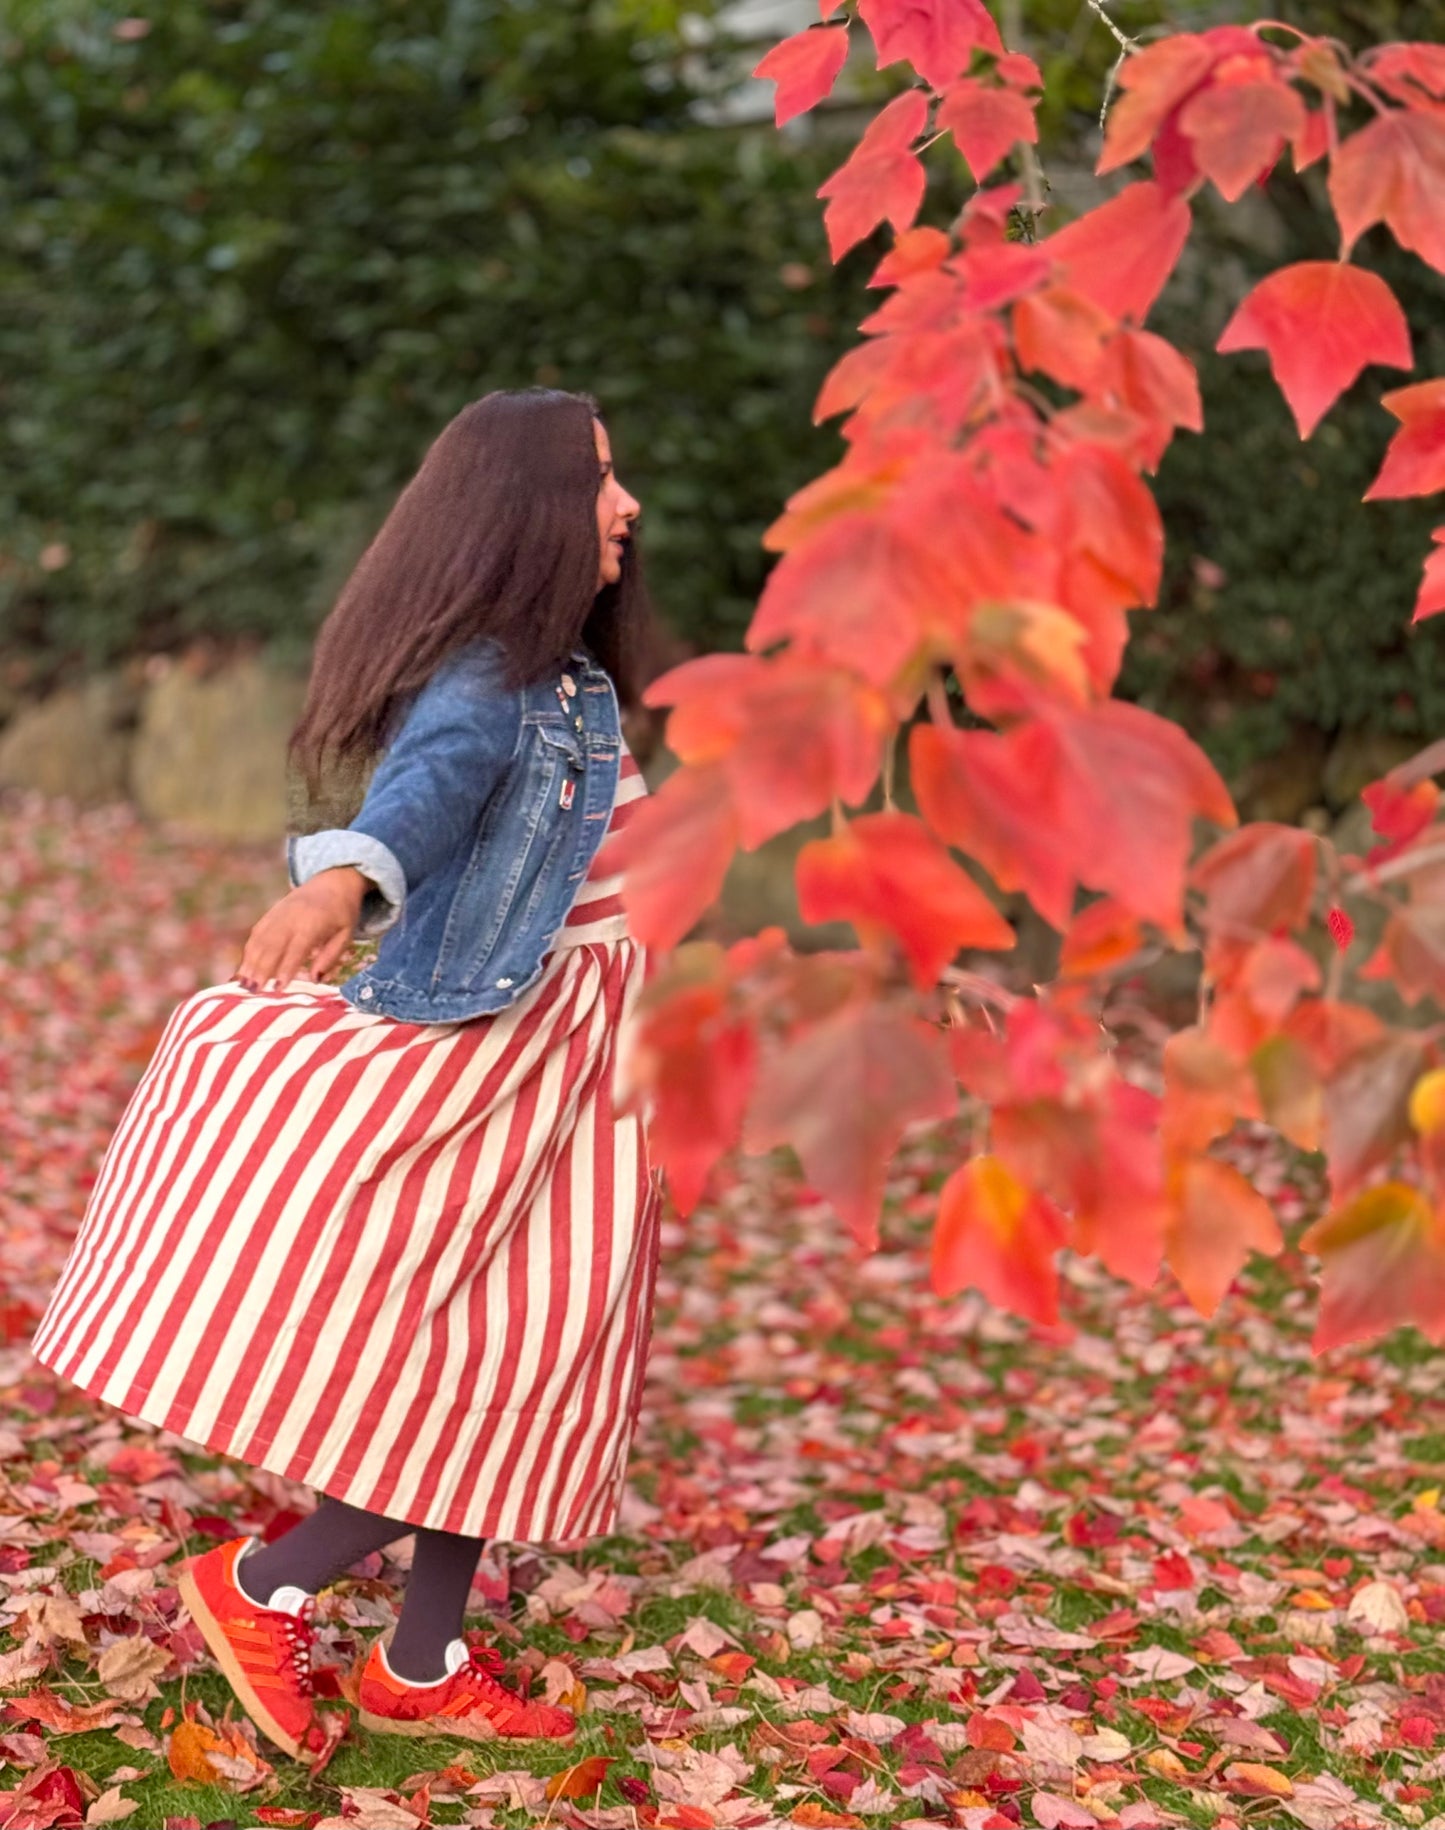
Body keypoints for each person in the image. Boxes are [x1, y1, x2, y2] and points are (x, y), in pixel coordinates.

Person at [28, 388, 664, 1764]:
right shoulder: (491, 676)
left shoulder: (575, 682)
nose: (624, 506)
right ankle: (261, 1584)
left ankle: (421, 1656)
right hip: (493, 1060)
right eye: (597, 481)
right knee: (475, 1360)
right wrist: (348, 885)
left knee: (508, 1354)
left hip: (583, 1080)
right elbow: (422, 792)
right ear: (526, 512)